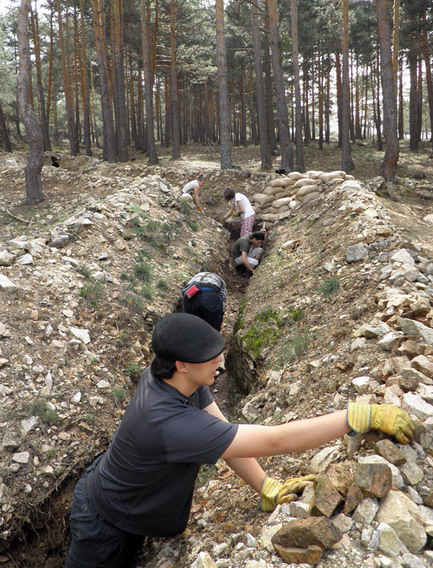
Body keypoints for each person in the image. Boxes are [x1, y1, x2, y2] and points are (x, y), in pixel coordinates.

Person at [64, 313, 415, 568]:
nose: (220, 360)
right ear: (182, 364)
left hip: (117, 494)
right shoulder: (168, 422)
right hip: (104, 526)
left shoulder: (175, 380)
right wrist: (354, 418)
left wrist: (265, 485)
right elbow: (276, 441)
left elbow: (224, 434)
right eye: (210, 356)